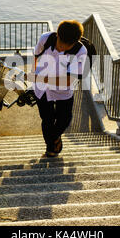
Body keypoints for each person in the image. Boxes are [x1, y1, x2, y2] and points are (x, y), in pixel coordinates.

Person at [29, 20, 88, 157]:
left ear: (75, 42)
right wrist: (34, 73)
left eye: (68, 46)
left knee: (65, 119)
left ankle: (54, 137)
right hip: (42, 89)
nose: (63, 48)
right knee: (47, 120)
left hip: (63, 90)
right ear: (57, 36)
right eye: (61, 44)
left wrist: (41, 79)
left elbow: (68, 80)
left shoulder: (80, 51)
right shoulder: (46, 39)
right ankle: (51, 149)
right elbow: (36, 55)